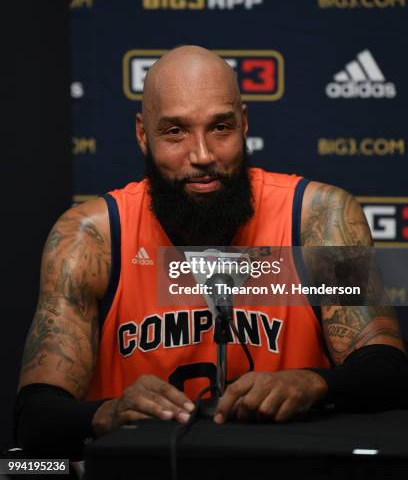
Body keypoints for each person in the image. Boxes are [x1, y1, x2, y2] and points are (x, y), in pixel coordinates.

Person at [15, 45, 408, 456]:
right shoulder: (95, 236)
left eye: (221, 127)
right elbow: (35, 416)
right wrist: (107, 414)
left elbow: (386, 371)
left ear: (244, 123)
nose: (202, 155)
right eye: (175, 132)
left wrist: (311, 382)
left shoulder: (315, 218)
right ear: (141, 134)